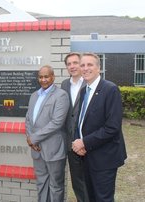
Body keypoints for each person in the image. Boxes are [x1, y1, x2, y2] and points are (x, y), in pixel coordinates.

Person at [72, 53, 127, 202]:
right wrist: (78, 141)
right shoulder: (84, 90)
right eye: (82, 65)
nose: (85, 68)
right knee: (90, 197)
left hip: (104, 158)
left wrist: (84, 142)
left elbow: (112, 127)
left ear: (98, 68)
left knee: (103, 198)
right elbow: (80, 120)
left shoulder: (110, 89)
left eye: (90, 65)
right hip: (87, 156)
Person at [25, 65, 69, 202]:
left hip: (53, 149)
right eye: (41, 77)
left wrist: (34, 138)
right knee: (41, 183)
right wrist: (31, 139)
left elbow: (57, 122)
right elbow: (28, 119)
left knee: (56, 185)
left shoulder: (61, 95)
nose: (43, 80)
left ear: (53, 77)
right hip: (36, 149)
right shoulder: (34, 95)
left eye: (46, 76)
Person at [61, 53, 89, 202]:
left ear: (81, 64)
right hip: (70, 142)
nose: (72, 66)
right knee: (77, 182)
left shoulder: (90, 83)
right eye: (69, 64)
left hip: (87, 143)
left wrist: (85, 141)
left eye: (75, 63)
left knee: (90, 182)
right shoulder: (65, 84)